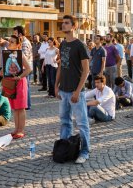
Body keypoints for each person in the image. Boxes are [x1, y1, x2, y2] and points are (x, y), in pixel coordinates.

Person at [54, 15, 90, 164]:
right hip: (63, 90)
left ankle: (85, 151)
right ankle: (64, 148)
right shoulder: (62, 44)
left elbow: (86, 70)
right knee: (64, 121)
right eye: (63, 23)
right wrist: (56, 86)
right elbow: (61, 66)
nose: (64, 26)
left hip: (76, 92)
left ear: (74, 26)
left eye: (67, 23)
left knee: (82, 123)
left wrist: (77, 91)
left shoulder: (80, 45)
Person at [1, 35, 31, 139]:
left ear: (18, 45)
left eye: (12, 42)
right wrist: (2, 72)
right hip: (10, 84)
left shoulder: (20, 54)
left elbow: (28, 69)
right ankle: (16, 128)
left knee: (20, 108)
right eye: (9, 41)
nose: (9, 43)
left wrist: (19, 77)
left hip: (19, 83)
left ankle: (21, 130)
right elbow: (4, 71)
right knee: (15, 108)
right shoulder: (6, 55)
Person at [13, 26, 33, 110]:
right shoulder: (22, 42)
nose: (14, 35)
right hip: (24, 67)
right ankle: (26, 105)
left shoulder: (24, 43)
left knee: (25, 88)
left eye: (15, 33)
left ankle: (26, 105)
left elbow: (24, 57)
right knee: (25, 87)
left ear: (20, 34)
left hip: (25, 68)